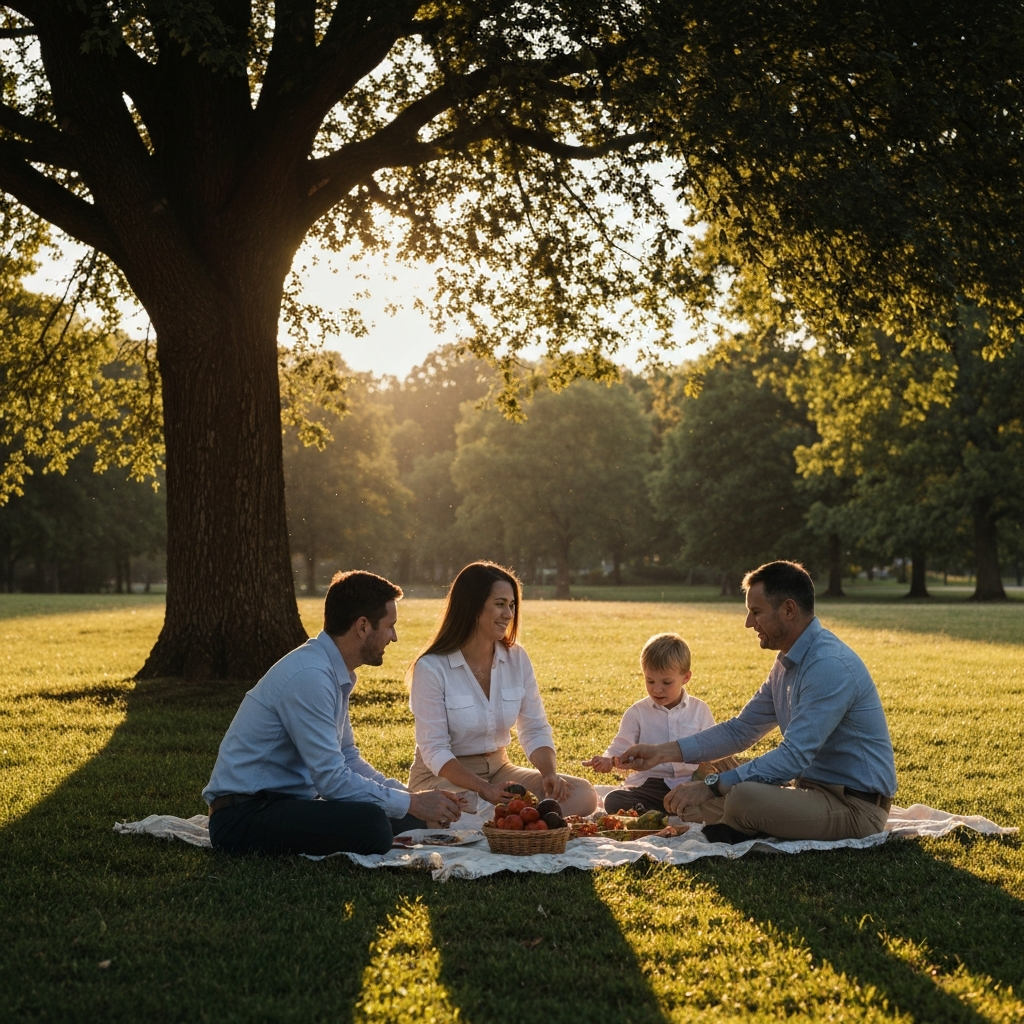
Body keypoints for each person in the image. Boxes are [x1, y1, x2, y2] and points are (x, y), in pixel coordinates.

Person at [618, 560, 897, 843]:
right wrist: (662, 752)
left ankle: (740, 822)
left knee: (741, 795)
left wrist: (712, 786)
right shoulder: (787, 664)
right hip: (811, 794)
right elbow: (740, 729)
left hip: (854, 808)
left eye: (756, 612)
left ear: (788, 610)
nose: (749, 623)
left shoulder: (828, 666)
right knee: (702, 797)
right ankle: (742, 820)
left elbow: (793, 757)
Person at [203, 570, 464, 856]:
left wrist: (410, 798)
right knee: (373, 825)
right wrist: (412, 802)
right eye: (390, 626)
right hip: (243, 815)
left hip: (283, 804)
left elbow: (348, 759)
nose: (394, 637)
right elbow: (332, 780)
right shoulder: (310, 676)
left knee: (409, 817)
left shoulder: (332, 671)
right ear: (363, 626)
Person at [408, 561, 597, 821]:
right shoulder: (431, 667)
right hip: (441, 777)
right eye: (499, 604)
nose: (508, 614)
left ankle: (509, 819)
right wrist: (485, 790)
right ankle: (502, 818)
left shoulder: (516, 657)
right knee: (477, 811)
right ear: (472, 607)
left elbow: (534, 727)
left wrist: (549, 773)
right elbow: (434, 750)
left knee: (584, 795)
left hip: (500, 770)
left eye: (511, 605)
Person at [582, 633, 718, 814]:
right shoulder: (637, 712)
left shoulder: (699, 710)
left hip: (690, 783)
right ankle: (668, 810)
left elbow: (714, 748)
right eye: (650, 680)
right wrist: (608, 760)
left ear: (686, 677)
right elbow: (622, 744)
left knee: (719, 796)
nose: (657, 689)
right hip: (650, 784)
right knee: (615, 800)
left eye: (666, 682)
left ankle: (670, 809)